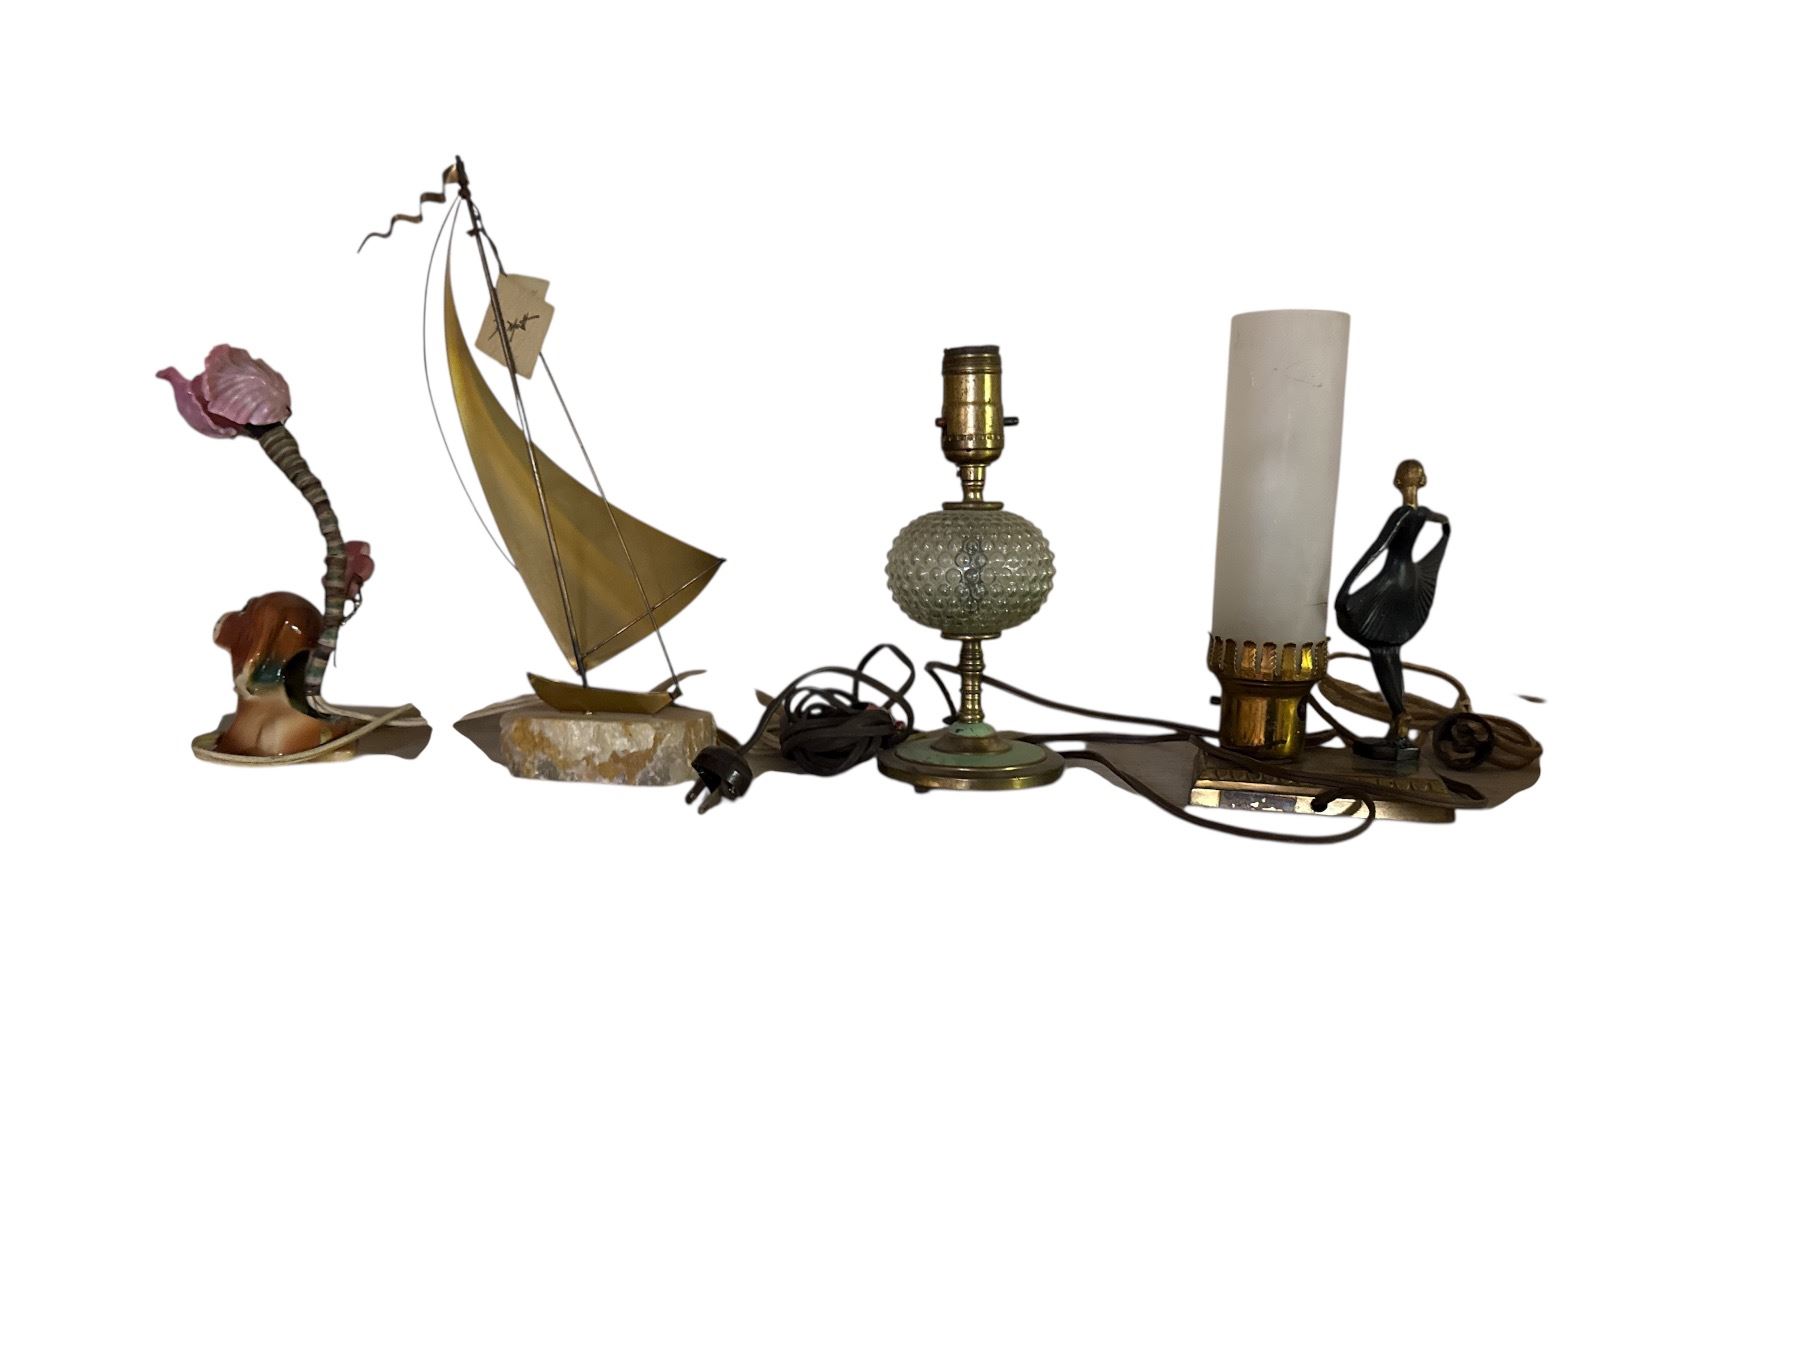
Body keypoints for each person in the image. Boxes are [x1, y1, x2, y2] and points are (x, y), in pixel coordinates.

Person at [1333, 460, 1450, 760]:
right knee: (1391, 650)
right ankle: (1399, 717)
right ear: (1422, 481)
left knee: (1380, 647)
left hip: (1392, 581)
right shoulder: (1423, 513)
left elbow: (1378, 547)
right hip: (1409, 580)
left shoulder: (1402, 514)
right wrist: (1444, 535)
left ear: (1398, 482)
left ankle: (1399, 713)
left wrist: (1347, 587)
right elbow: (1443, 521)